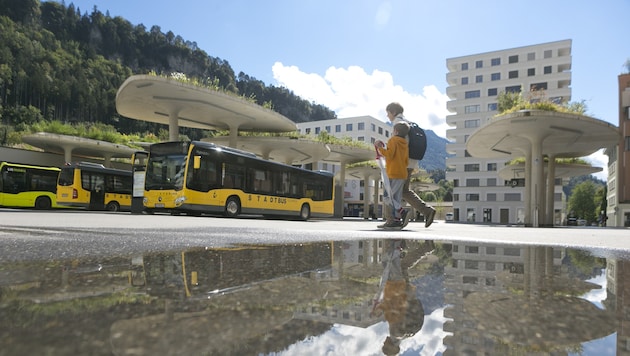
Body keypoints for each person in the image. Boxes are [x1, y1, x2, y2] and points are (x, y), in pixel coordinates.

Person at [383, 102, 436, 229]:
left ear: (394, 112)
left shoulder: (398, 124)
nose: (387, 116)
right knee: (404, 191)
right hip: (410, 162)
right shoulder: (408, 123)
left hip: (401, 164)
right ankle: (426, 211)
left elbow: (399, 145)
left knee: (389, 191)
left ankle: (392, 220)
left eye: (388, 113)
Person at [375, 122, 410, 229]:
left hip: (393, 173)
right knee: (396, 198)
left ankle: (402, 212)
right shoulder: (404, 143)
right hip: (402, 173)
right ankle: (396, 220)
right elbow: (406, 161)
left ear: (396, 131)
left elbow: (389, 155)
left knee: (387, 197)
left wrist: (380, 148)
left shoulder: (392, 140)